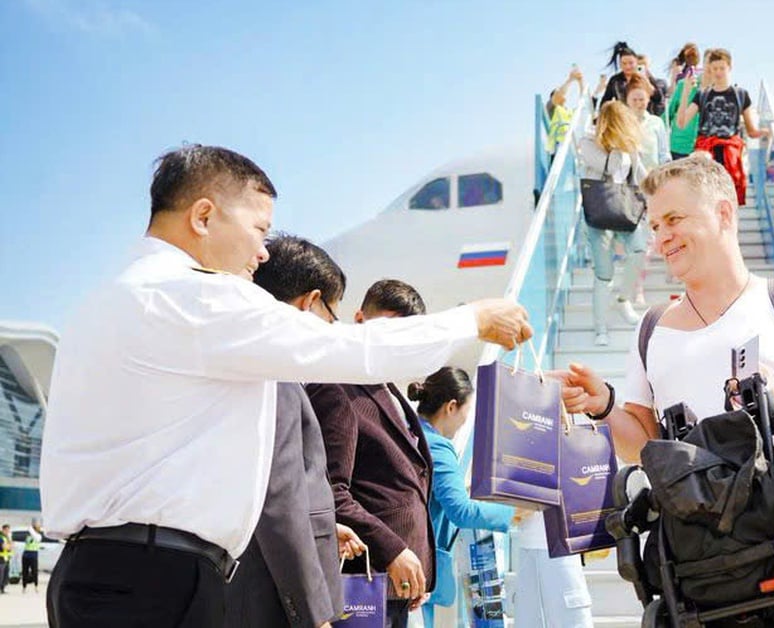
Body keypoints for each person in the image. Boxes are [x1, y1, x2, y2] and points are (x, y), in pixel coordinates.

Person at [41, 144, 532, 628]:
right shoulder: (196, 296)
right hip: (157, 583)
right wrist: (473, 320)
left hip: (102, 572)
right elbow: (347, 350)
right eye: (258, 230)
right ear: (203, 216)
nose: (261, 252)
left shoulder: (107, 299)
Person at [559, 154, 774, 461]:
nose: (662, 239)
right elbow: (644, 450)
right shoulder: (651, 328)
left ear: (724, 214)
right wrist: (604, 406)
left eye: (673, 220)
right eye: (655, 227)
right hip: (692, 512)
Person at [221, 235, 367, 628]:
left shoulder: (250, 367)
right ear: (308, 301)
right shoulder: (277, 378)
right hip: (273, 602)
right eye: (331, 316)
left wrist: (322, 525)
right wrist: (313, 615)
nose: (330, 328)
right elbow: (279, 502)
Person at [308, 278, 445, 627]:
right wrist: (394, 550)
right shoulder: (338, 388)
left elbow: (404, 488)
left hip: (398, 586)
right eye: (388, 331)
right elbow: (330, 492)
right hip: (364, 583)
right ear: (359, 321)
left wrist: (420, 564)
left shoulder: (391, 393)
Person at [411, 367, 519, 628]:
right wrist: (514, 513)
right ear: (451, 407)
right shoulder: (436, 445)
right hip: (422, 565)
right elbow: (460, 510)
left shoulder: (410, 433)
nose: (463, 423)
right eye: (465, 414)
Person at [578, 101, 649, 346]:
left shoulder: (630, 147)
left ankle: (623, 300)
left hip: (625, 209)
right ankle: (600, 328)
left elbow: (641, 175)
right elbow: (610, 165)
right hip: (599, 212)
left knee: (639, 250)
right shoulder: (588, 143)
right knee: (603, 273)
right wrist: (622, 147)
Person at [673, 48, 769, 206]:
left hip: (730, 149)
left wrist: (766, 132)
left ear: (729, 68)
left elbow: (751, 131)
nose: (718, 72)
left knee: (729, 193)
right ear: (710, 69)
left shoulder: (741, 94)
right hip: (706, 148)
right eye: (715, 68)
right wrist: (685, 93)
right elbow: (681, 123)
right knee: (705, 192)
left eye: (722, 68)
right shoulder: (703, 95)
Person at [599, 42, 664, 114]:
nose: (627, 66)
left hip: (644, 117)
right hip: (624, 118)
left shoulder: (645, 76)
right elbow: (605, 102)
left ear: (636, 62)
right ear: (620, 64)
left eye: (631, 63)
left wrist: (646, 82)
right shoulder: (615, 80)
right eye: (624, 63)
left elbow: (659, 98)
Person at [665, 43, 703, 159]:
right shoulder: (680, 78)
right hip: (680, 144)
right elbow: (669, 112)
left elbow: (668, 113)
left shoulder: (711, 86)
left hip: (701, 145)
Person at [625, 75, 670, 168]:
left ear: (648, 99)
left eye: (642, 100)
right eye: (634, 100)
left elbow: (663, 153)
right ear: (627, 100)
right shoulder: (621, 122)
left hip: (652, 176)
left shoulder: (657, 122)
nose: (638, 103)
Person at [546, 66, 586, 158]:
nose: (564, 93)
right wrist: (570, 79)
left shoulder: (569, 112)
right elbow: (560, 94)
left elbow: (582, 104)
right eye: (558, 92)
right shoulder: (551, 108)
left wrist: (580, 82)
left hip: (571, 148)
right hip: (557, 149)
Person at [20, 520, 39, 592]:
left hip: (33, 555)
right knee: (25, 572)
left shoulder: (38, 536)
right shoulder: (28, 537)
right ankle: (24, 586)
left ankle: (36, 586)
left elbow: (34, 535)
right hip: (26, 555)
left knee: (34, 571)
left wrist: (31, 528)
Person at [0, 524, 10, 594]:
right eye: (6, 530)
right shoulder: (1, 537)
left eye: (8, 530)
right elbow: (4, 547)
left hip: (6, 558)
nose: (7, 531)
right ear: (3, 530)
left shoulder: (7, 537)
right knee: (1, 575)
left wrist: (9, 546)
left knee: (5, 575)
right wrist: (8, 546)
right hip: (1, 558)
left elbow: (11, 546)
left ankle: (3, 588)